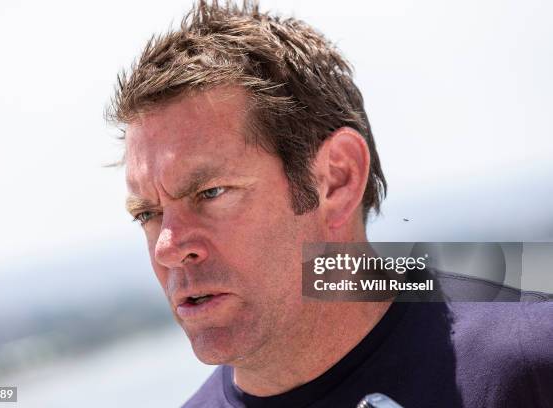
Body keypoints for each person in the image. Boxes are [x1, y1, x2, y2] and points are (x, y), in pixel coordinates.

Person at [107, 1, 553, 407]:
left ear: (336, 179)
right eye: (147, 213)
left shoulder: (528, 365)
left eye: (210, 193)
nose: (167, 247)